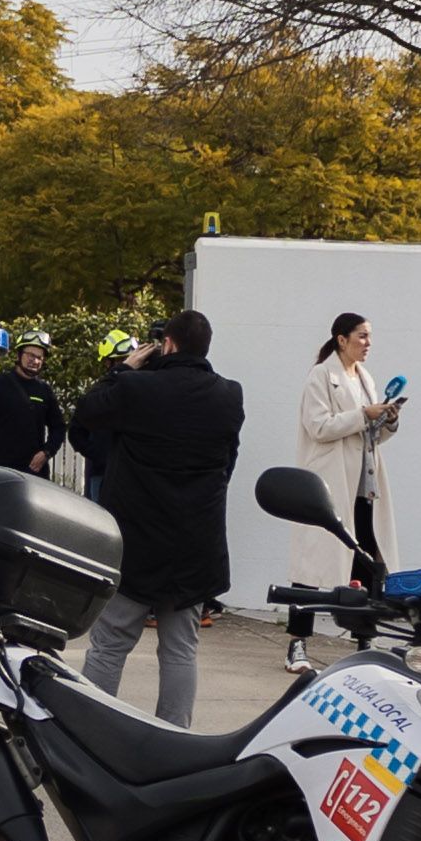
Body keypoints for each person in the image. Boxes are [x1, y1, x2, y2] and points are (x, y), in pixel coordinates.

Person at [69, 310, 244, 726]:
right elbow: (227, 463)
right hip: (195, 544)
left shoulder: (136, 388)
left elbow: (87, 414)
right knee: (181, 649)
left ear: (167, 344)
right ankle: (173, 734)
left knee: (110, 644)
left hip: (135, 541)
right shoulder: (228, 395)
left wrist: (123, 370)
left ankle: (90, 732)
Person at [286, 311, 402, 673]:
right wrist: (364, 414)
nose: (368, 344)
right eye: (362, 336)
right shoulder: (321, 376)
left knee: (367, 562)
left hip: (363, 486)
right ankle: (297, 644)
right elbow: (318, 427)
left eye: (370, 336)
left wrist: (387, 420)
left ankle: (364, 643)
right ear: (341, 339)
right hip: (331, 484)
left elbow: (370, 435)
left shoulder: (364, 377)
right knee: (312, 566)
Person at [0, 331, 65, 477]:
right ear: (19, 355)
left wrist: (46, 453)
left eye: (39, 358)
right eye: (31, 355)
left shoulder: (45, 391)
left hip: (32, 472)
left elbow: (59, 428)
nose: (35, 361)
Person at [71, 329, 134, 505]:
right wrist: (100, 455)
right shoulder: (99, 396)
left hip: (131, 477)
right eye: (122, 361)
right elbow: (75, 432)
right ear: (108, 363)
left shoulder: (140, 392)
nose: (128, 366)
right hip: (101, 476)